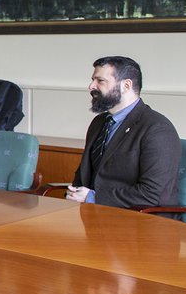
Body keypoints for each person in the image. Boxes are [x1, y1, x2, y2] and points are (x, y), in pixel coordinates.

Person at [66, 56, 180, 209]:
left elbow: (152, 195)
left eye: (100, 81)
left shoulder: (157, 129)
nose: (91, 86)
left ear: (126, 85)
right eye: (93, 80)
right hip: (92, 215)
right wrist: (75, 194)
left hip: (140, 221)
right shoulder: (99, 122)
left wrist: (92, 197)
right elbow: (85, 175)